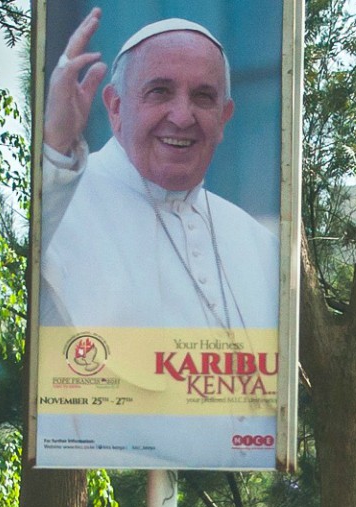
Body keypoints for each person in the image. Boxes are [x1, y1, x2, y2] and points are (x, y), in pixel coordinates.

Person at [39, 8, 279, 329]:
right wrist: (54, 146)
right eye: (159, 92)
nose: (182, 117)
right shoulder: (58, 205)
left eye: (203, 97)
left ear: (224, 117)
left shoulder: (261, 245)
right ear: (116, 107)